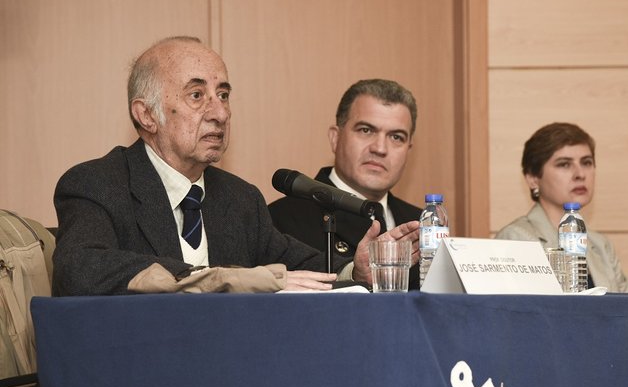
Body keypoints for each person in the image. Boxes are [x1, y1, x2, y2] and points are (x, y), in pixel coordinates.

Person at [52, 36, 419, 296]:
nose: (220, 113)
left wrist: (354, 271)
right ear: (146, 114)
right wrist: (221, 280)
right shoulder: (96, 184)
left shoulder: (239, 199)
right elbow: (81, 270)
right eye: (197, 96)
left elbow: (300, 266)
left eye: (223, 95)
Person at [267, 79, 423, 289]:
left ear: (408, 150)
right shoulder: (281, 219)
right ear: (335, 138)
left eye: (396, 137)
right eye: (366, 130)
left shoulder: (421, 224)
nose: (380, 148)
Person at [494, 122, 628, 292]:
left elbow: (627, 310)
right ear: (533, 178)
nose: (580, 174)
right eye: (564, 164)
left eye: (586, 163)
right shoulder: (515, 238)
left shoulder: (601, 245)